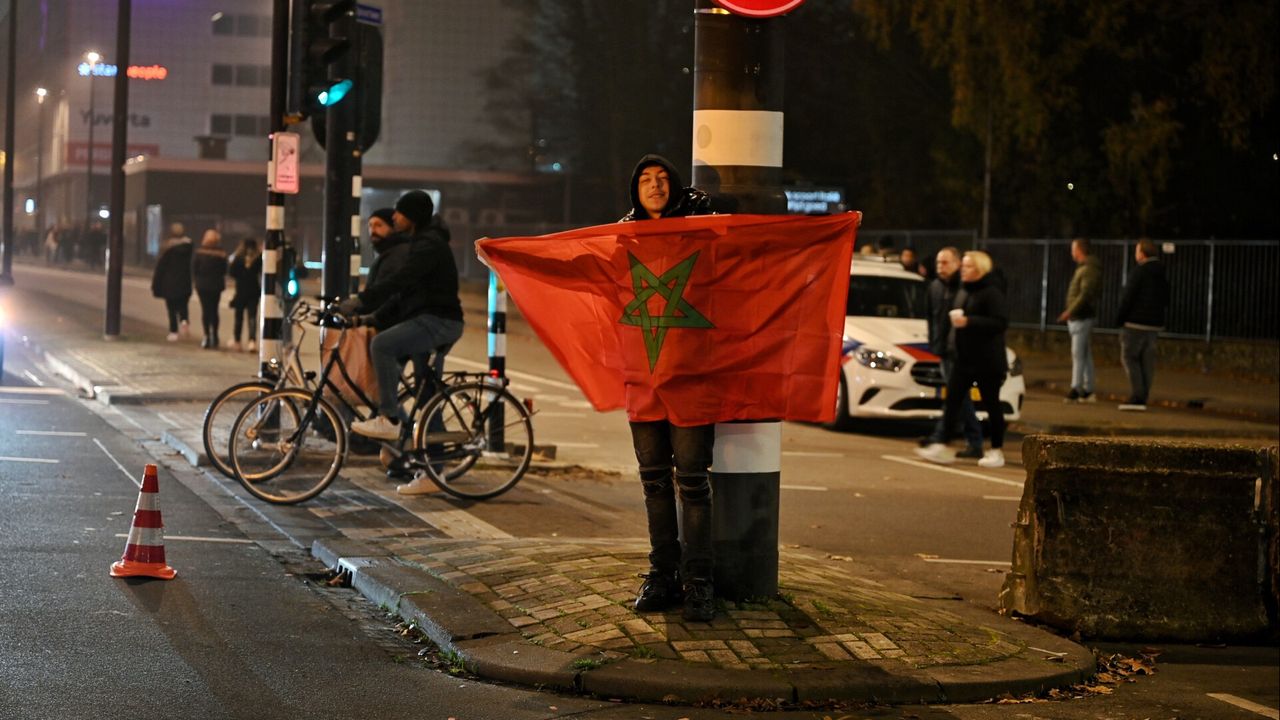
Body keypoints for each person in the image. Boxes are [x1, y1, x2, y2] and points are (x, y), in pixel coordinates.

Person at [618, 154, 717, 623]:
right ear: (634, 191)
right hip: (643, 379)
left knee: (693, 484)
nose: (654, 186)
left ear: (675, 187)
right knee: (654, 482)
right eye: (645, 180)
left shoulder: (702, 233)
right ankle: (661, 575)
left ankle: (699, 583)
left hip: (691, 379)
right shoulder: (620, 239)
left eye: (662, 179)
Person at [341, 191, 465, 495]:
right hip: (428, 319)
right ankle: (434, 474)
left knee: (382, 346)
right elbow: (401, 295)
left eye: (398, 213)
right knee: (427, 396)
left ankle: (390, 419)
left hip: (438, 322)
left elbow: (400, 282)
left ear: (412, 216)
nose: (394, 217)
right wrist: (366, 316)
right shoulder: (421, 243)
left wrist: (361, 301)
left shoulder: (427, 246)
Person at [916, 250, 1009, 468]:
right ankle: (941, 443)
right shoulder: (963, 291)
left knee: (991, 404)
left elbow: (1000, 323)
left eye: (968, 267)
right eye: (963, 266)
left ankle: (996, 449)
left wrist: (969, 321)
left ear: (979, 269)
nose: (963, 271)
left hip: (987, 361)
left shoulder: (991, 292)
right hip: (963, 359)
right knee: (953, 402)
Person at [923, 247, 984, 460]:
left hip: (960, 351)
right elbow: (932, 318)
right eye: (939, 262)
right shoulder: (935, 288)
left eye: (945, 262)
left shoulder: (965, 288)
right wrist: (934, 342)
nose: (941, 267)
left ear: (957, 264)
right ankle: (958, 437)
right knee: (957, 397)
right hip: (944, 349)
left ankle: (952, 437)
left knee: (958, 396)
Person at [1115, 238, 1170, 411]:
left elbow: (1127, 297)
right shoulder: (1162, 273)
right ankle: (1143, 395)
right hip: (1154, 325)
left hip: (1135, 323)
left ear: (1142, 253)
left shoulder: (1139, 272)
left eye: (1137, 250)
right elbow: (1166, 298)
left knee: (1130, 357)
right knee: (1147, 361)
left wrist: (1119, 319)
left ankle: (1137, 395)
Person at [1057, 237, 1102, 402]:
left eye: (1073, 249)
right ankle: (1088, 389)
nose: (1071, 252)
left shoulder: (1088, 269)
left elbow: (1085, 294)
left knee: (1078, 354)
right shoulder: (1086, 268)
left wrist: (1070, 311)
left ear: (1080, 250)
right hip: (1081, 316)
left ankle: (1076, 388)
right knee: (1084, 354)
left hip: (1081, 317)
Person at [150, 223, 194, 341]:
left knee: (171, 308)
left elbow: (160, 268)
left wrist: (156, 283)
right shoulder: (188, 247)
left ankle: (173, 332)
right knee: (183, 304)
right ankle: (184, 321)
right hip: (185, 281)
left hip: (169, 282)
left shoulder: (167, 249)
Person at [192, 229, 228, 350]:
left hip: (202, 285)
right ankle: (215, 336)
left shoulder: (199, 253)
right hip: (216, 285)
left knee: (205, 310)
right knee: (214, 310)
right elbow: (224, 270)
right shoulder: (221, 253)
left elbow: (194, 269)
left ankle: (206, 336)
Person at [227, 237, 263, 352]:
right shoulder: (259, 258)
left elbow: (231, 272)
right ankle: (252, 341)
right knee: (252, 317)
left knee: (239, 317)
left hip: (241, 291)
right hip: (254, 290)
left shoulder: (238, 258)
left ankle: (237, 341)